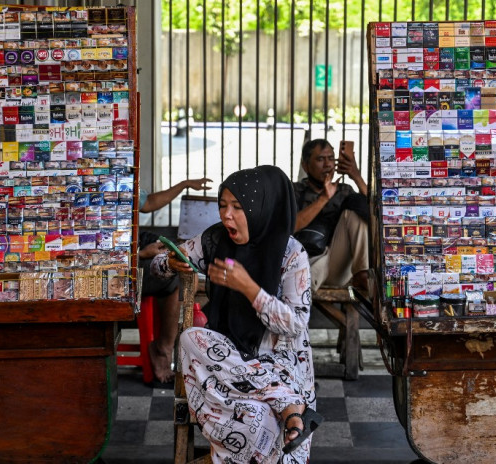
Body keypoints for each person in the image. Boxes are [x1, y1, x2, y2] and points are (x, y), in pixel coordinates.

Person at [152, 165, 322, 463]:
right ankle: (290, 407)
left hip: (280, 363)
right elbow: (159, 264)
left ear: (261, 208)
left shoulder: (292, 254)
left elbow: (296, 325)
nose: (226, 215)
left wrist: (251, 290)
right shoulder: (215, 241)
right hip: (226, 367)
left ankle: (280, 413)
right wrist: (169, 262)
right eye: (222, 205)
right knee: (191, 338)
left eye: (237, 207)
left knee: (255, 417)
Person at [138, 177, 212, 384]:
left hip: (136, 241)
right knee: (176, 279)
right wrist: (141, 254)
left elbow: (149, 203)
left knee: (178, 257)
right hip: (123, 258)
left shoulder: (120, 177)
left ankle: (168, 346)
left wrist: (184, 185)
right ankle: (163, 348)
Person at [293, 139, 370, 292]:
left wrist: (356, 176)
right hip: (308, 263)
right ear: (305, 165)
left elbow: (378, 215)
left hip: (336, 265)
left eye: (331, 159)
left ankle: (362, 274)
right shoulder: (295, 190)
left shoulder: (344, 190)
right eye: (320, 159)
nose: (328, 164)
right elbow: (291, 226)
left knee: (356, 210)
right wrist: (324, 198)